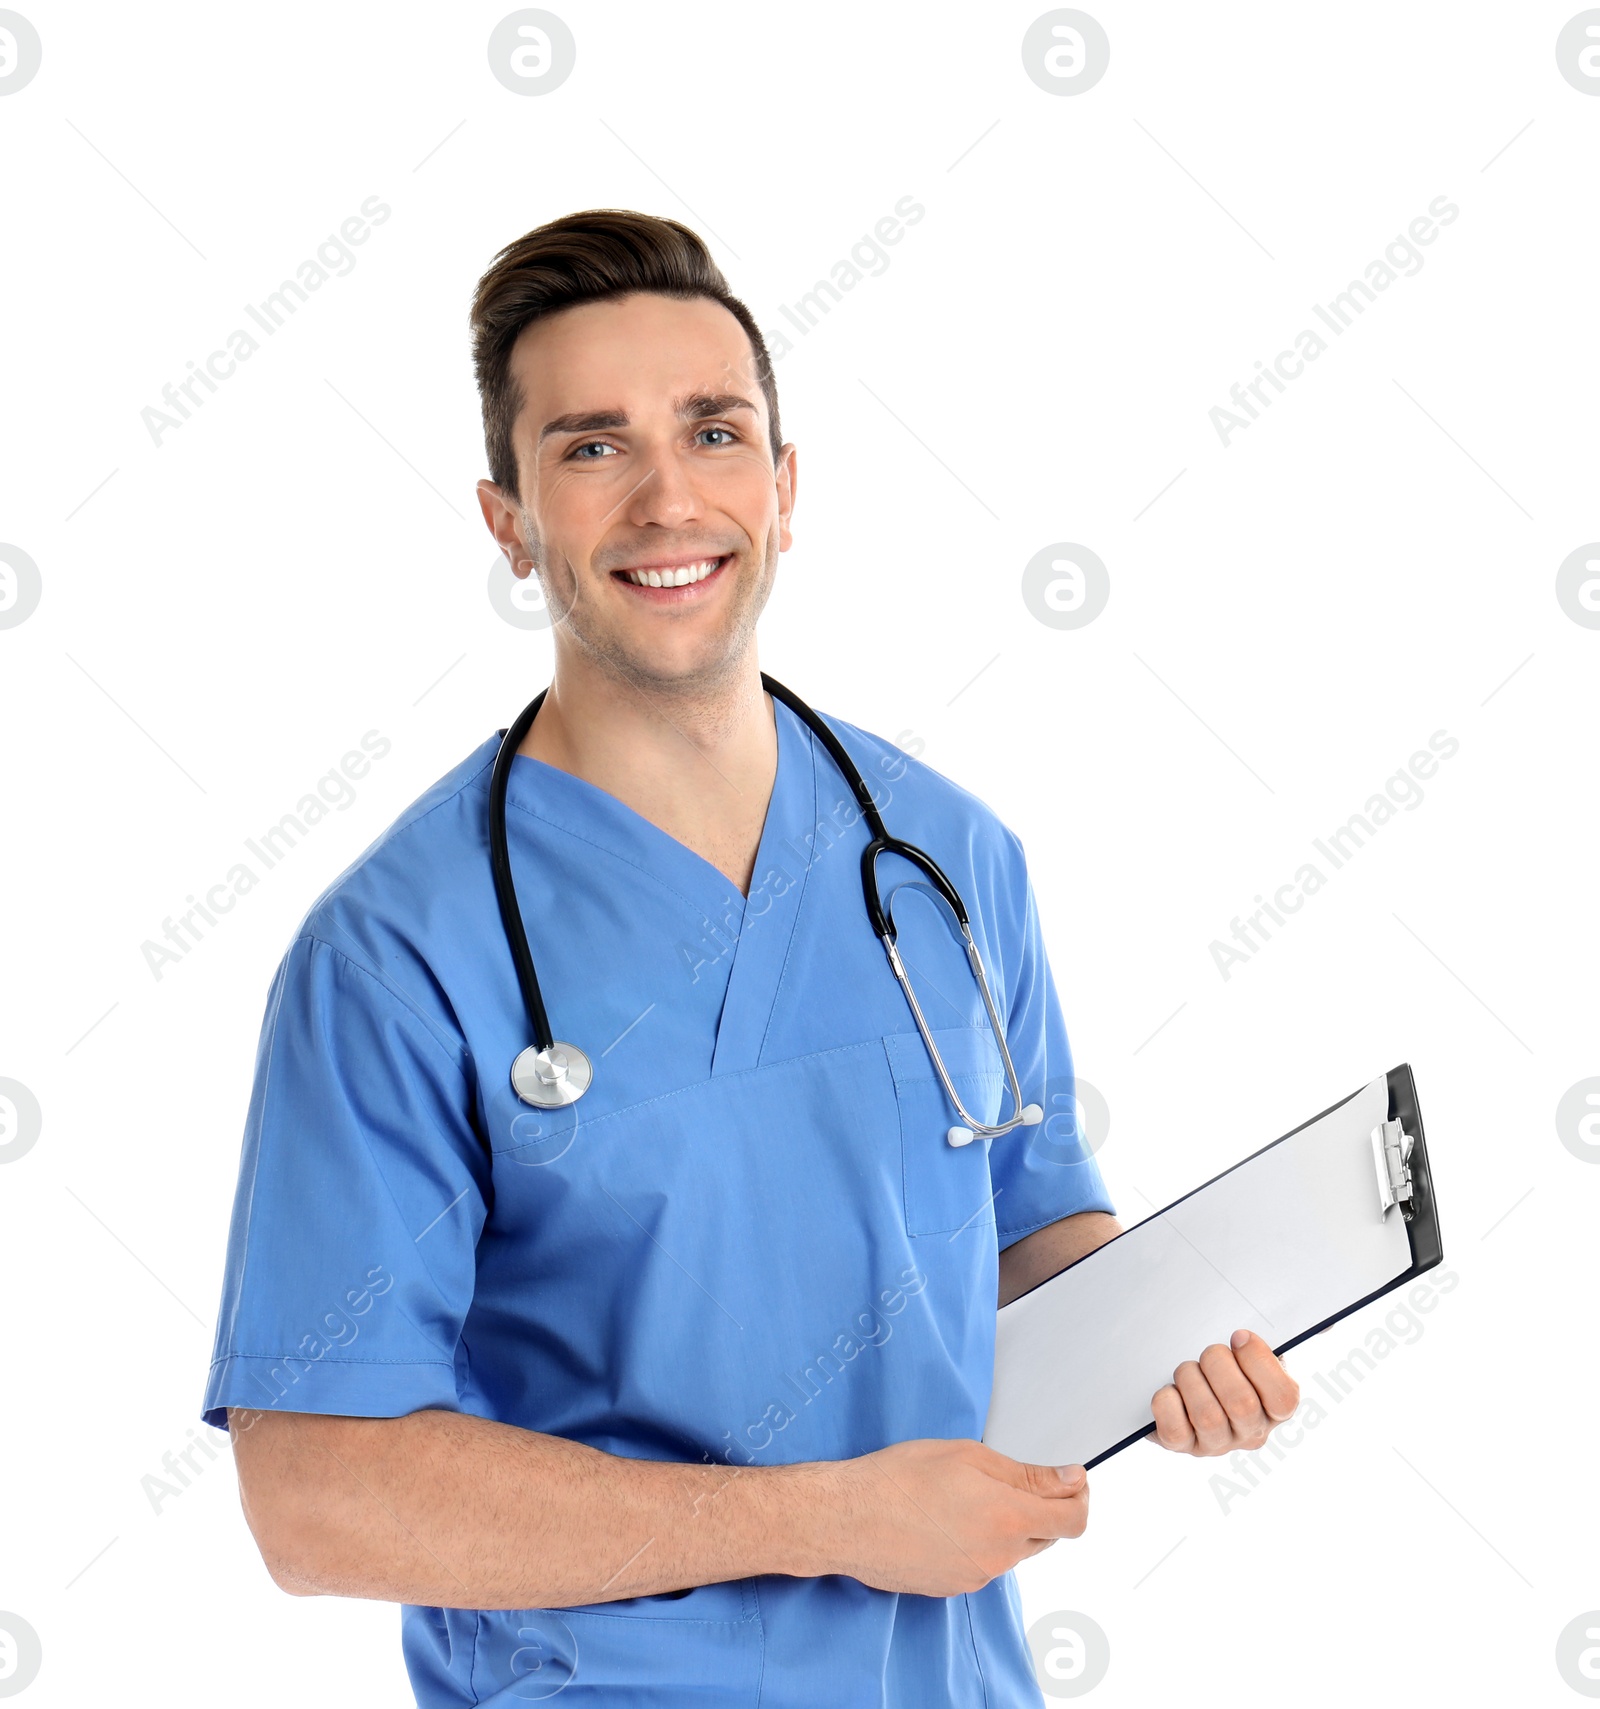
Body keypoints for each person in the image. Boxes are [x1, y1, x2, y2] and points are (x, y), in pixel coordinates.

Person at [203, 208, 1300, 1707]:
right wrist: (828, 1516)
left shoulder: (948, 859)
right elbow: (316, 1493)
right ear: (508, 520)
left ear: (784, 491)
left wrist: (1180, 1345)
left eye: (715, 433)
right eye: (592, 448)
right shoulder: (396, 957)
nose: (669, 498)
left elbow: (1031, 1237)